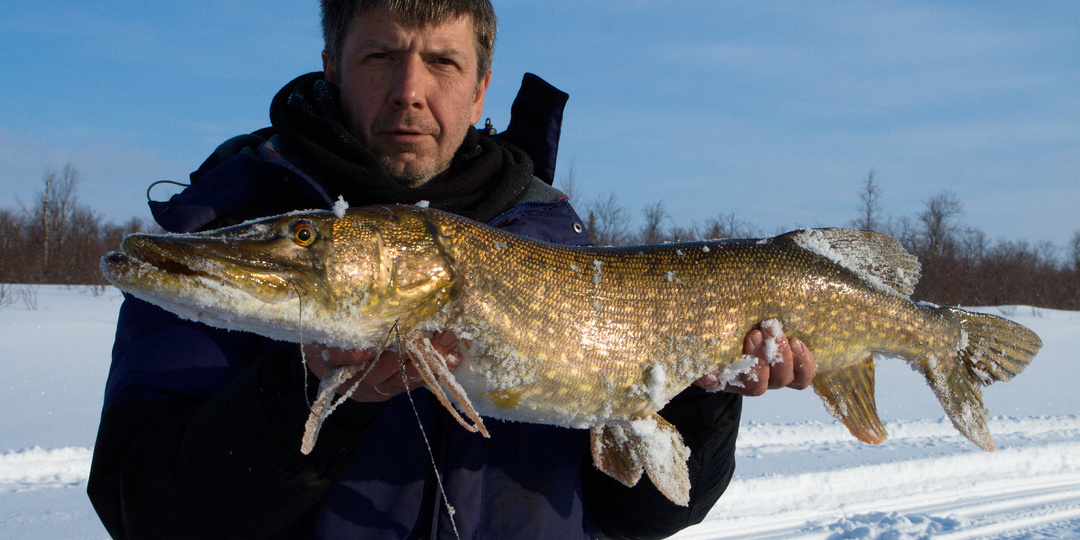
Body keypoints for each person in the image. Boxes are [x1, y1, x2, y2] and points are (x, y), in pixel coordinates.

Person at [88, 1, 816, 538]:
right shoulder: (223, 225)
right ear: (333, 69)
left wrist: (702, 398)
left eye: (442, 61)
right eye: (380, 57)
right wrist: (302, 393)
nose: (410, 88)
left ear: (479, 89)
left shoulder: (560, 244)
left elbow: (641, 513)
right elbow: (140, 510)